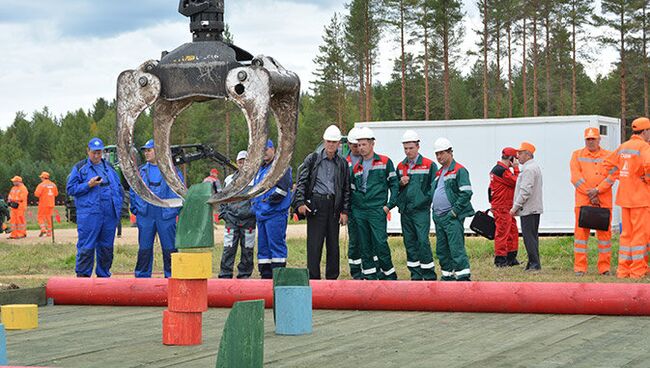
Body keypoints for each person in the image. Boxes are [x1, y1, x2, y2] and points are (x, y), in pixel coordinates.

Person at [293, 125, 350, 280]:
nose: (331, 145)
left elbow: (346, 189)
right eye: (329, 141)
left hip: (333, 206)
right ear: (324, 142)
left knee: (333, 244)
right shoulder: (312, 159)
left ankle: (332, 279)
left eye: (334, 142)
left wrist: (345, 211)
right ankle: (313, 279)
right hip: (316, 204)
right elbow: (302, 182)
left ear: (339, 143)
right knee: (314, 244)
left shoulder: (342, 164)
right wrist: (300, 203)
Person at [66, 137, 123, 278]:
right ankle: (83, 278)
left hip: (109, 214)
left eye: (99, 153)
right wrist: (88, 185)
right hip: (90, 214)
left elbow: (119, 188)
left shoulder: (109, 167)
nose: (97, 156)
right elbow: (70, 189)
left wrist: (119, 206)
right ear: (88, 151)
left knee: (106, 247)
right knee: (87, 246)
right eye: (94, 153)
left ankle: (104, 277)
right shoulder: (80, 168)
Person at [603, 117, 650, 279]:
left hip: (624, 197)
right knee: (640, 235)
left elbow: (608, 163)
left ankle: (623, 270)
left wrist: (624, 176)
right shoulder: (643, 147)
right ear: (645, 131)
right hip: (640, 198)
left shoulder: (623, 147)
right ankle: (637, 271)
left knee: (626, 235)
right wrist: (645, 178)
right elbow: (649, 165)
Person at [350, 127, 399, 280]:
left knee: (380, 243)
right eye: (359, 145)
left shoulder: (384, 162)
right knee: (364, 245)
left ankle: (389, 275)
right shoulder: (356, 166)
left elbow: (394, 185)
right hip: (360, 210)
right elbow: (353, 189)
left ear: (372, 144)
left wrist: (389, 206)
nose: (361, 148)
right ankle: (370, 277)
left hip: (377, 209)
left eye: (364, 144)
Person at [129, 139, 183, 278]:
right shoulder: (140, 172)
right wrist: (137, 209)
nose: (146, 153)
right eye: (145, 151)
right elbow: (133, 190)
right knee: (144, 248)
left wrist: (174, 211)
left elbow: (181, 190)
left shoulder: (171, 171)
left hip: (166, 214)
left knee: (170, 248)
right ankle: (142, 278)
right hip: (146, 214)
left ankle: (172, 276)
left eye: (149, 150)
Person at [569, 127, 616, 276]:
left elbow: (612, 176)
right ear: (585, 140)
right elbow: (575, 178)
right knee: (581, 236)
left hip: (603, 202)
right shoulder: (577, 155)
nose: (590, 142)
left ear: (599, 139)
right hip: (583, 202)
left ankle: (604, 268)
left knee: (604, 237)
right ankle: (580, 267)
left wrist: (598, 190)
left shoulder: (609, 155)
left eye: (593, 139)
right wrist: (591, 192)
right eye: (588, 139)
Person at [395, 130, 438, 280]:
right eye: (405, 148)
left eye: (411, 148)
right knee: (410, 243)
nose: (408, 151)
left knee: (422, 241)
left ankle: (429, 275)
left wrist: (423, 202)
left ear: (418, 146)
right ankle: (415, 275)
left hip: (421, 211)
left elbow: (434, 188)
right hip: (405, 211)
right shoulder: (400, 166)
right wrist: (400, 183)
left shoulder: (429, 165)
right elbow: (395, 188)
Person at [431, 138, 474, 281]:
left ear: (450, 152)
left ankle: (463, 277)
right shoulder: (439, 173)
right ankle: (447, 276)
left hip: (451, 217)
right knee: (442, 250)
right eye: (437, 154)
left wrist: (455, 211)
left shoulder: (460, 170)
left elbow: (466, 193)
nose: (439, 157)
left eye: (442, 153)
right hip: (439, 217)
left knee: (456, 249)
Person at [252, 139, 292, 279]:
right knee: (263, 249)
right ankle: (265, 277)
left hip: (274, 214)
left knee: (276, 247)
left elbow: (282, 190)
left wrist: (267, 202)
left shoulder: (280, 166)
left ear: (273, 149)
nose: (264, 152)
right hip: (261, 215)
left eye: (266, 149)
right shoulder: (260, 169)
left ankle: (278, 277)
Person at [218, 150, 257, 279]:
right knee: (228, 248)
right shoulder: (229, 179)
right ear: (237, 163)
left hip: (249, 221)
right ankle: (225, 275)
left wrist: (254, 214)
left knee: (247, 250)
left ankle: (245, 275)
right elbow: (222, 198)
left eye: (245, 161)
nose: (242, 163)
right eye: (240, 161)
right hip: (232, 220)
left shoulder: (255, 179)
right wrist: (224, 214)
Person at [510, 142, 544, 273]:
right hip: (534, 208)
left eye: (520, 153)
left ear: (528, 154)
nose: (518, 156)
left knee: (528, 237)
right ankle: (532, 262)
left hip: (528, 209)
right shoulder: (534, 167)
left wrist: (515, 207)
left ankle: (534, 264)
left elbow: (525, 191)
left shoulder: (529, 169)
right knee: (532, 237)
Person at [489, 147, 520, 267]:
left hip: (505, 206)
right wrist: (516, 169)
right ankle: (500, 260)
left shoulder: (500, 169)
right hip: (502, 207)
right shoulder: (502, 171)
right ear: (511, 159)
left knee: (512, 232)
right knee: (502, 233)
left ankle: (511, 258)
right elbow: (517, 182)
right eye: (515, 159)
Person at [345, 127, 363, 279]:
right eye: (353, 145)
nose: (356, 148)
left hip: (366, 207)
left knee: (368, 240)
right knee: (354, 241)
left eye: (359, 145)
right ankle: (356, 271)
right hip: (351, 208)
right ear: (349, 145)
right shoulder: (345, 162)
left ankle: (370, 269)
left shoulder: (368, 159)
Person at [34, 171, 59, 237]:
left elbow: (36, 194)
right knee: (49, 218)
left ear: (43, 177)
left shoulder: (41, 185)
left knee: (40, 216)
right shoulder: (53, 184)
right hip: (51, 203)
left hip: (43, 204)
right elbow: (56, 194)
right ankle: (49, 232)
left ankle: (43, 229)